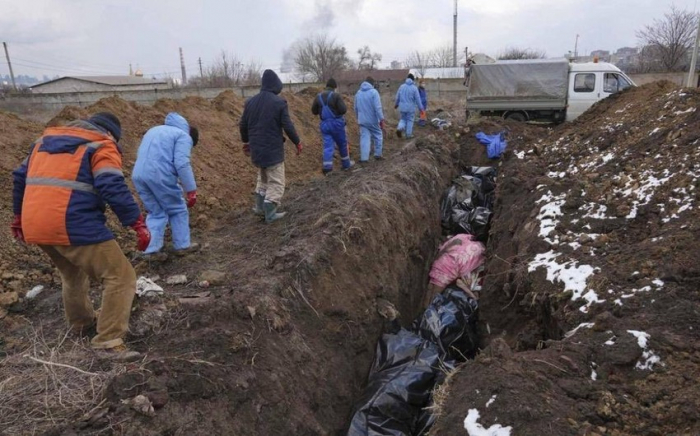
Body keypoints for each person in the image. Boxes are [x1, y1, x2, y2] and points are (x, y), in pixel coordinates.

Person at [11, 112, 151, 355]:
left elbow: (19, 177)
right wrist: (136, 221)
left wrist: (18, 216)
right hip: (71, 222)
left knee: (72, 272)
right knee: (120, 276)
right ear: (110, 134)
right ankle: (108, 341)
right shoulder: (101, 144)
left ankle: (80, 323)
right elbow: (111, 184)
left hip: (35, 222)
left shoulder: (42, 143)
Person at [132, 113, 199, 259]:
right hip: (159, 174)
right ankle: (182, 245)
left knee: (156, 212)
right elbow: (182, 163)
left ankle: (151, 250)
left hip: (138, 174)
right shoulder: (183, 136)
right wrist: (191, 190)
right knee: (178, 209)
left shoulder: (154, 130)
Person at [240, 69, 303, 223]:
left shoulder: (250, 102)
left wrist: (246, 141)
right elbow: (287, 126)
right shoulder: (279, 103)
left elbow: (242, 125)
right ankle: (271, 212)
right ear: (276, 85)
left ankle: (260, 208)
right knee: (276, 181)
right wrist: (297, 142)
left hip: (257, 150)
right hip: (273, 150)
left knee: (263, 178)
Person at [423, 234, 485, 308]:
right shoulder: (479, 252)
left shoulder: (464, 237)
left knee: (430, 289)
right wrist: (472, 295)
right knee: (434, 298)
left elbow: (445, 246)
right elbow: (463, 274)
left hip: (439, 262)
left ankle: (422, 312)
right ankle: (426, 314)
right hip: (446, 273)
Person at [311, 78, 353, 174]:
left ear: (326, 86)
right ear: (334, 87)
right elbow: (343, 110)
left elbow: (314, 111)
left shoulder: (318, 97)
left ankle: (327, 167)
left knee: (327, 146)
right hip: (337, 124)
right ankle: (346, 164)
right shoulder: (336, 96)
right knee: (342, 144)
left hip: (325, 124)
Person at [354, 76, 385, 162]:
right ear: (372, 84)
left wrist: (358, 117)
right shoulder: (374, 92)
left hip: (362, 120)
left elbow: (355, 108)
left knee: (365, 138)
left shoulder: (358, 93)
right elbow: (378, 108)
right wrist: (381, 119)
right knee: (378, 135)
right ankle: (378, 154)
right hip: (373, 120)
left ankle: (364, 158)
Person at [394, 73, 424, 139]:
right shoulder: (414, 88)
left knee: (403, 119)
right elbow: (418, 99)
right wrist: (421, 108)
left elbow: (397, 97)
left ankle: (399, 128)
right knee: (410, 120)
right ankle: (408, 134)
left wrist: (396, 104)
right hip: (410, 108)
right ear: (413, 80)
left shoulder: (401, 87)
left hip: (402, 108)